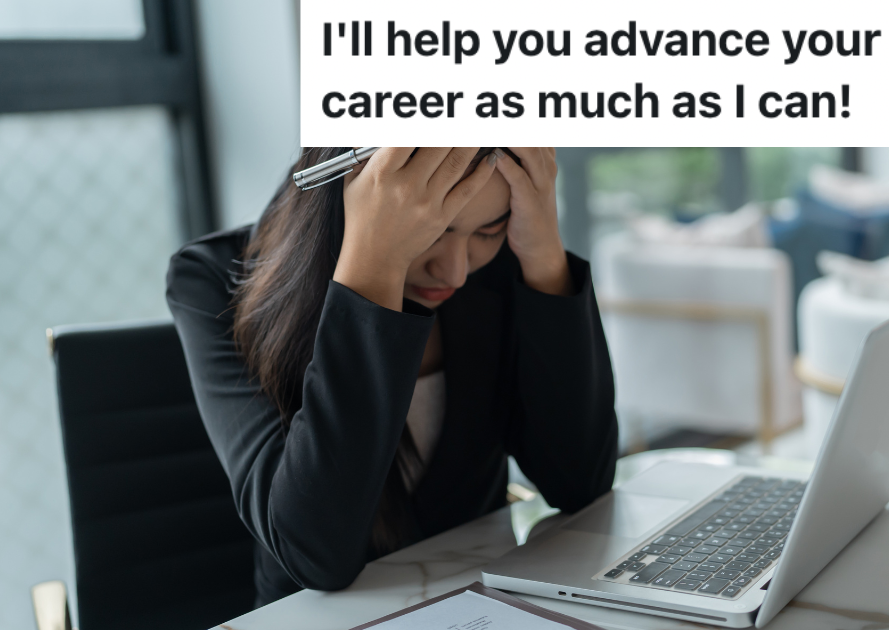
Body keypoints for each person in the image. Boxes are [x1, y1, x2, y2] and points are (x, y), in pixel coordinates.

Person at [166, 147, 619, 607]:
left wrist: (543, 255)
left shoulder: (501, 265)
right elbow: (315, 555)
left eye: (488, 230)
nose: (456, 271)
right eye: (432, 229)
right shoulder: (214, 279)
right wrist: (373, 260)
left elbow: (580, 483)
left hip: (485, 602)